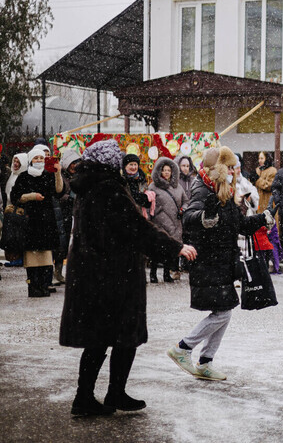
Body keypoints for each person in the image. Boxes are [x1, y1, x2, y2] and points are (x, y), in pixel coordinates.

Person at [60, 139, 196, 416]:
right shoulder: (109, 188)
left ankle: (91, 396)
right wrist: (176, 247)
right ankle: (106, 394)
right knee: (123, 336)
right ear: (110, 163)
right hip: (113, 275)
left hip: (93, 274)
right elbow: (138, 229)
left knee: (99, 339)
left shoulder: (89, 186)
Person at [167, 147, 272, 381]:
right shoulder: (203, 189)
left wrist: (262, 219)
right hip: (208, 260)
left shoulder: (224, 191)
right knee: (223, 313)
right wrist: (204, 218)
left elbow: (237, 225)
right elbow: (189, 217)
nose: (236, 171)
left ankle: (205, 362)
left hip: (222, 261)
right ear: (220, 170)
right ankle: (183, 348)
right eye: (231, 167)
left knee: (224, 311)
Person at [10, 146, 64, 297]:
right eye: (36, 158)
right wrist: (32, 196)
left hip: (47, 221)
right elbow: (15, 197)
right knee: (32, 258)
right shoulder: (24, 177)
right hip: (30, 221)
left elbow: (59, 191)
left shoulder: (48, 175)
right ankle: (33, 286)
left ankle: (44, 285)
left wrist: (58, 172)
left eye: (41, 158)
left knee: (46, 256)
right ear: (31, 160)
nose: (39, 160)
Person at [148, 157, 187, 283]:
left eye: (168, 170)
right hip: (159, 222)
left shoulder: (178, 187)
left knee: (170, 250)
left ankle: (166, 273)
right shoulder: (153, 187)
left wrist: (183, 209)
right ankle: (153, 274)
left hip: (175, 222)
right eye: (164, 170)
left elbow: (186, 201)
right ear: (159, 171)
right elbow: (149, 204)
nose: (166, 172)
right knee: (156, 249)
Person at [54, 149, 83, 285]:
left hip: (78, 214)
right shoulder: (61, 176)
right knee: (62, 244)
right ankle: (58, 271)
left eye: (77, 162)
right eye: (72, 163)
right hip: (64, 214)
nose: (74, 166)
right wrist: (69, 198)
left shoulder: (80, 176)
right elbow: (58, 194)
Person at [2, 153, 27, 267]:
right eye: (14, 161)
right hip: (10, 210)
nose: (16, 164)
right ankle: (15, 257)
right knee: (12, 236)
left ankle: (20, 258)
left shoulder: (23, 176)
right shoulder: (12, 174)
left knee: (18, 236)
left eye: (18, 162)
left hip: (18, 210)